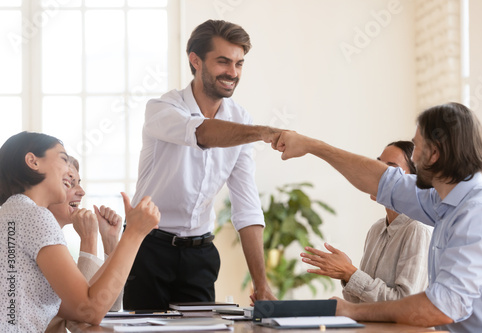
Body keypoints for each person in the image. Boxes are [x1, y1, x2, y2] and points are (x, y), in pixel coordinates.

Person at [275, 102, 482, 332]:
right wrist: (312, 146)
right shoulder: (440, 201)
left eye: (418, 147)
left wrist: (352, 310)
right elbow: (381, 181)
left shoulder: (479, 213)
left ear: (435, 154)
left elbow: (441, 307)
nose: (416, 156)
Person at [124, 19, 280, 310]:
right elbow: (202, 133)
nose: (232, 73)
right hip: (148, 248)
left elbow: (246, 207)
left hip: (200, 255)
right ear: (195, 61)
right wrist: (266, 133)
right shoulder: (162, 109)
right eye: (223, 62)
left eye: (239, 63)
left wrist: (262, 284)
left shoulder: (241, 120)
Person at [0, 131, 160, 332]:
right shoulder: (35, 216)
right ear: (33, 161)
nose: (68, 169)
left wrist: (113, 241)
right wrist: (135, 233)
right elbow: (88, 311)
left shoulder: (11, 213)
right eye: (63, 159)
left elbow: (73, 310)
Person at [302, 141, 432, 303]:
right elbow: (358, 303)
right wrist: (346, 275)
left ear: (413, 181)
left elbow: (405, 304)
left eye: (389, 169)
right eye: (377, 166)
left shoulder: (417, 229)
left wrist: (350, 273)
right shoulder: (377, 229)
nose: (377, 174)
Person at [45, 157, 123, 332]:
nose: (81, 191)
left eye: (78, 183)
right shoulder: (42, 245)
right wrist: (89, 240)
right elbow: (84, 313)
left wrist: (110, 242)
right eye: (69, 184)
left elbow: (109, 307)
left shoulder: (57, 242)